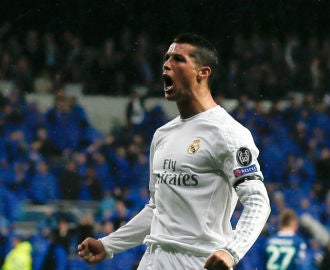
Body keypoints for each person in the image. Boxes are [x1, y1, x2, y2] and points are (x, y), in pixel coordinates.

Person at [78, 33, 271, 270]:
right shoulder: (162, 135)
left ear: (203, 72)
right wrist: (109, 244)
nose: (166, 64)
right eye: (166, 58)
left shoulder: (228, 134)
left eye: (178, 59)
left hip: (197, 262)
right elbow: (156, 209)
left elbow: (258, 202)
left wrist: (231, 251)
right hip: (153, 260)